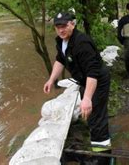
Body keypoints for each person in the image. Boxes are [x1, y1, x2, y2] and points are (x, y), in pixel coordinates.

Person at [43, 12, 111, 152]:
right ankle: (97, 141)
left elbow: (92, 72)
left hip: (97, 80)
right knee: (91, 115)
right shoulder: (61, 41)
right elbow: (60, 60)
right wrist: (51, 79)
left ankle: (102, 156)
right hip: (84, 80)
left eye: (64, 26)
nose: (61, 30)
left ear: (72, 24)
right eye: (58, 27)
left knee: (96, 116)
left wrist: (87, 98)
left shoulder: (82, 43)